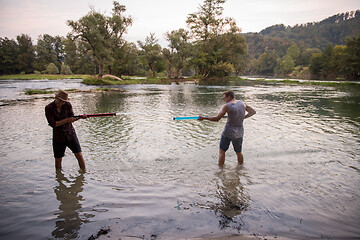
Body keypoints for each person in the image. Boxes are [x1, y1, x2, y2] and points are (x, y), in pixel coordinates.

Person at [198, 90, 256, 166]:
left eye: (224, 98)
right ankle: (240, 169)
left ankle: (220, 170)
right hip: (239, 132)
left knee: (222, 152)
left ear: (229, 97)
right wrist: (243, 117)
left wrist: (204, 118)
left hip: (228, 132)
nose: (224, 100)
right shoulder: (243, 103)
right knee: (238, 152)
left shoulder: (227, 106)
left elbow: (217, 119)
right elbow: (253, 112)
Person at [45, 90, 87, 170]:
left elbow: (72, 118)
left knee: (79, 155)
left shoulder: (68, 105)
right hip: (58, 137)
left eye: (63, 102)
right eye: (60, 101)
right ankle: (59, 179)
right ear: (56, 98)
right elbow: (53, 124)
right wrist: (67, 120)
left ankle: (83, 175)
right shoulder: (48, 108)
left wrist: (80, 117)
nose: (62, 103)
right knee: (58, 159)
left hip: (71, 134)